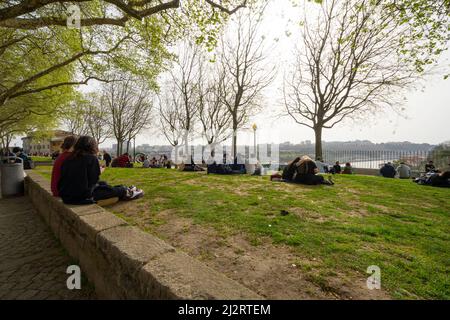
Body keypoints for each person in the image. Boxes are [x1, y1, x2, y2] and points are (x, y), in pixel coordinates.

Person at [58, 136, 143, 205]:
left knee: (104, 184)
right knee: (112, 189)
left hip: (66, 196)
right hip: (82, 197)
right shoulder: (91, 158)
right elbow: (94, 181)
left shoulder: (68, 159)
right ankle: (126, 191)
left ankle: (124, 189)